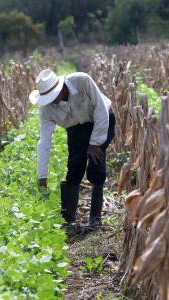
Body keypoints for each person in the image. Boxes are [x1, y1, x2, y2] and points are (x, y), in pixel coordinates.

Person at [29, 69, 115, 226]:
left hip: (101, 120)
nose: (51, 102)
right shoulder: (46, 109)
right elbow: (44, 141)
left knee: (96, 164)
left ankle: (95, 218)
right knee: (74, 168)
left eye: (53, 96)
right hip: (76, 129)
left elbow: (101, 109)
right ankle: (68, 217)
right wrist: (42, 176)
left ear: (61, 88)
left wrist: (95, 143)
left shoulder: (82, 81)